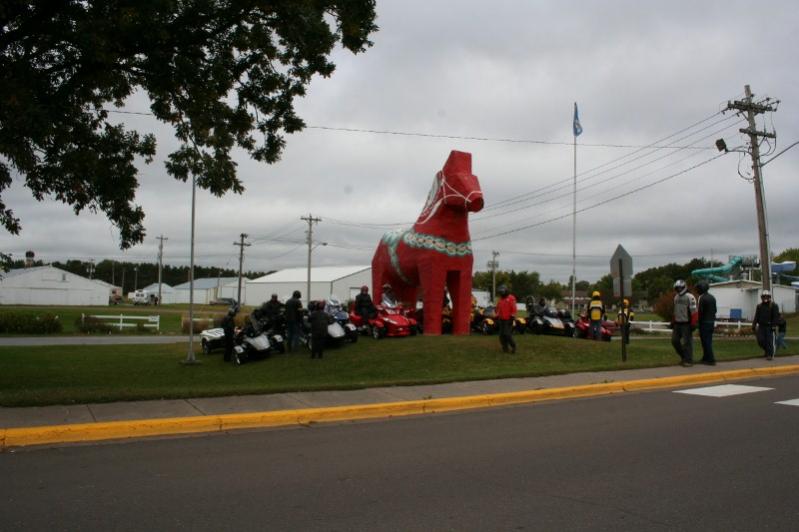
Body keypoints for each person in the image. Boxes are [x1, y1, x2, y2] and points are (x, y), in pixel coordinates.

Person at [671, 279, 698, 367]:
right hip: (677, 323)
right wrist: (673, 321)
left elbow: (694, 311)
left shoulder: (690, 297)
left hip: (686, 323)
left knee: (687, 343)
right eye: (677, 288)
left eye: (680, 288)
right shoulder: (676, 297)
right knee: (674, 341)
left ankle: (688, 360)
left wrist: (693, 323)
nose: (678, 289)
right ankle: (684, 357)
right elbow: (675, 311)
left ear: (684, 287)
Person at [753, 290, 780, 360]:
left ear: (769, 297)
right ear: (761, 297)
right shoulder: (759, 306)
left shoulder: (773, 305)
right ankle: (767, 351)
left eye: (767, 297)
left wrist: (774, 325)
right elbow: (756, 316)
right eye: (764, 297)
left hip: (770, 326)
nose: (765, 298)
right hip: (761, 326)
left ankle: (770, 354)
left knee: (769, 341)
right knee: (760, 340)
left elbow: (775, 317)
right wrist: (754, 325)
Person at [696, 281, 717, 365]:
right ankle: (705, 357)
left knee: (706, 341)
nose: (697, 290)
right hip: (711, 322)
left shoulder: (702, 298)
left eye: (699, 288)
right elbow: (715, 310)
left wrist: (698, 322)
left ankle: (711, 359)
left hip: (704, 322)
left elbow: (700, 312)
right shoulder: (712, 297)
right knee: (708, 341)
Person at [496, 285, 517, 353]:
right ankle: (505, 348)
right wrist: (496, 315)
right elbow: (498, 309)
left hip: (508, 319)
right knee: (501, 335)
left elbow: (514, 309)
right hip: (501, 319)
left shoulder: (511, 298)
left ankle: (513, 346)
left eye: (502, 292)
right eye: (500, 292)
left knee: (507, 334)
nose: (501, 293)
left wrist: (512, 317)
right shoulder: (500, 300)